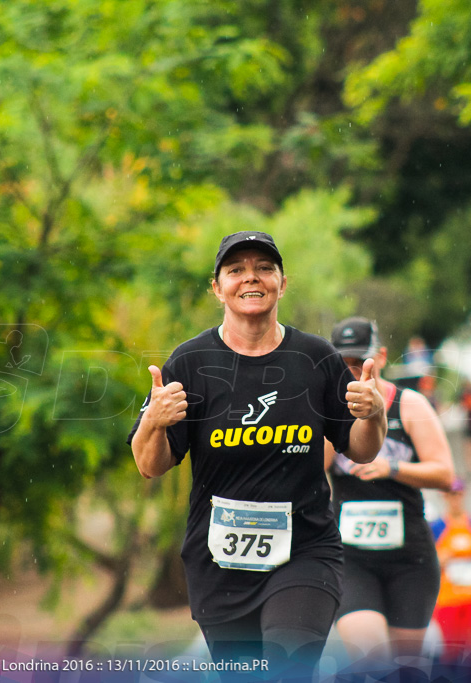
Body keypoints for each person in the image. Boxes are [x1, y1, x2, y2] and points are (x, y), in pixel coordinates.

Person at [128, 232, 387, 680]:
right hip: (219, 563)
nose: (252, 278)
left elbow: (362, 450)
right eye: (236, 270)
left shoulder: (315, 359)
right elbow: (150, 465)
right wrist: (153, 420)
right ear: (217, 287)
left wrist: (374, 413)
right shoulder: (190, 362)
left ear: (282, 283)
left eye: (264, 268)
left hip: (304, 552)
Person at [325, 317, 455, 675]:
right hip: (351, 558)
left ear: (380, 357)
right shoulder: (329, 406)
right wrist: (331, 414)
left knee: (407, 670)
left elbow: (445, 474)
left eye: (360, 361)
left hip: (408, 558)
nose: (352, 370)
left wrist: (393, 469)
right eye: (343, 362)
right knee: (373, 662)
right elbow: (311, 470)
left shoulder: (410, 406)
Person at [429, 478, 471, 663]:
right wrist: (441, 559)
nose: (455, 499)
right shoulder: (436, 528)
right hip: (447, 598)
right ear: (443, 496)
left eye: (458, 494)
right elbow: (426, 565)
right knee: (450, 651)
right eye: (451, 495)